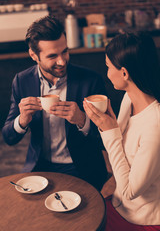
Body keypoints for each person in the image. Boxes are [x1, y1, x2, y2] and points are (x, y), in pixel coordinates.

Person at [2, 15, 109, 191]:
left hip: (82, 169)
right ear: (34, 55)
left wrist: (83, 121)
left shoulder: (90, 80)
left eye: (64, 51)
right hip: (40, 167)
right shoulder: (22, 81)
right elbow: (8, 137)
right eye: (52, 56)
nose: (62, 61)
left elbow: (107, 138)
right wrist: (22, 120)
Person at [83, 31, 160, 230]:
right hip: (121, 204)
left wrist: (109, 133)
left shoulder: (155, 125)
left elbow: (129, 191)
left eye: (108, 67)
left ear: (124, 73)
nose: (107, 73)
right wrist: (108, 126)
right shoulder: (129, 98)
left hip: (143, 219)